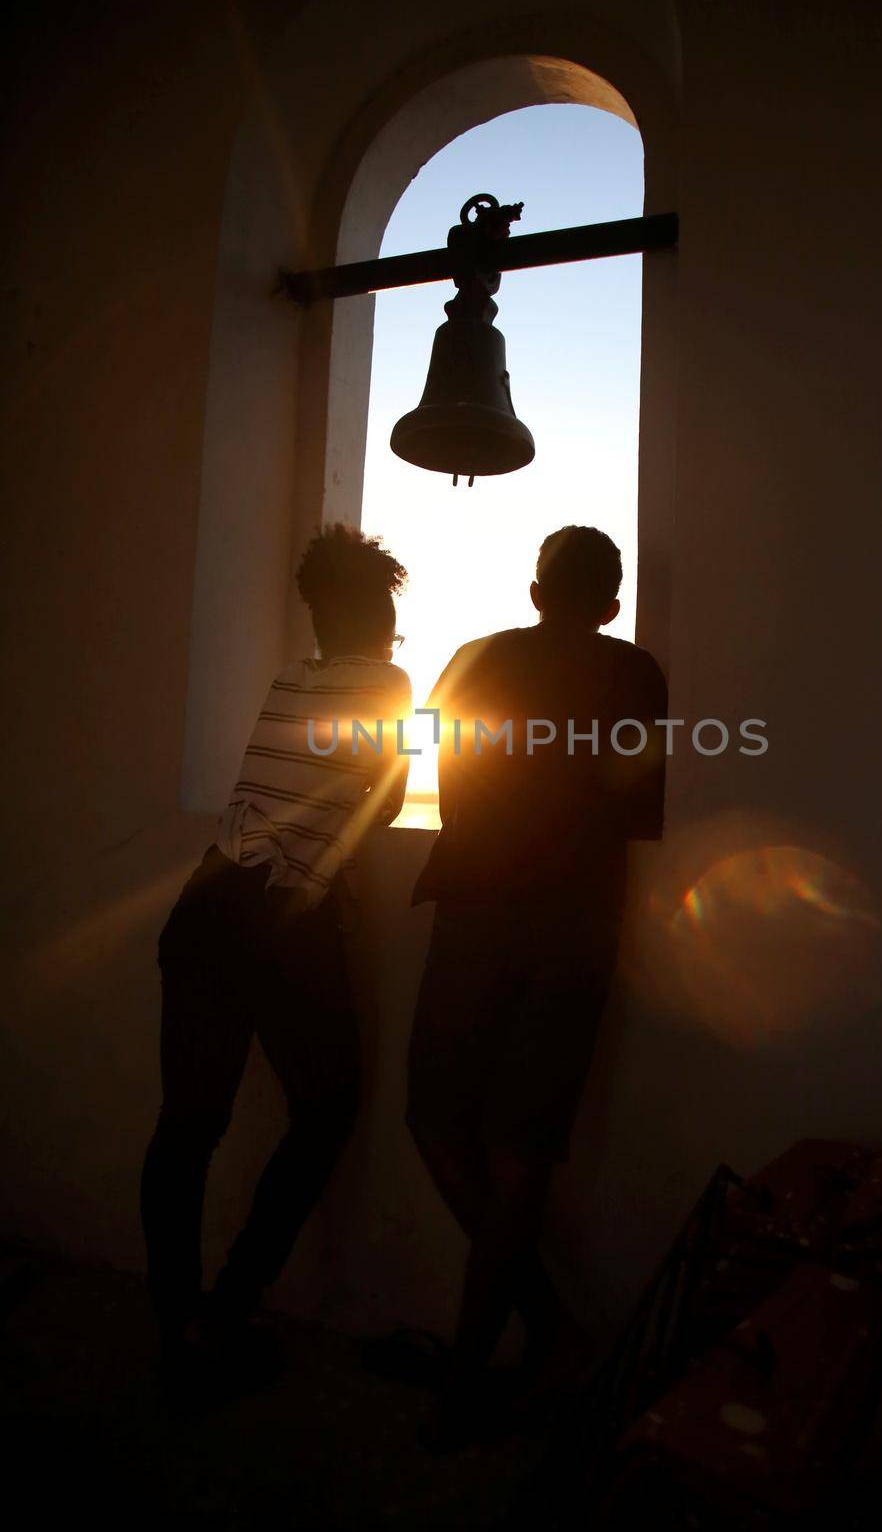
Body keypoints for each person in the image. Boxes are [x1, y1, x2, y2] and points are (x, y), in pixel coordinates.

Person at [405, 525, 668, 1445]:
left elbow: (450, 773)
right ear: (609, 603)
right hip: (577, 929)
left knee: (434, 1119)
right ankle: (511, 1354)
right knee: (521, 1152)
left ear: (533, 590)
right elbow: (636, 814)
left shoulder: (478, 656)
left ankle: (534, 1337)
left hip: (477, 907)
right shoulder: (638, 673)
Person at [140, 524, 411, 1407]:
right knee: (330, 1107)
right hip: (283, 918)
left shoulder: (287, 679)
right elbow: (389, 795)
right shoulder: (389, 681)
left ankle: (179, 1327)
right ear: (378, 612)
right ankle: (224, 1315)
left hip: (205, 905)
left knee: (188, 1126)